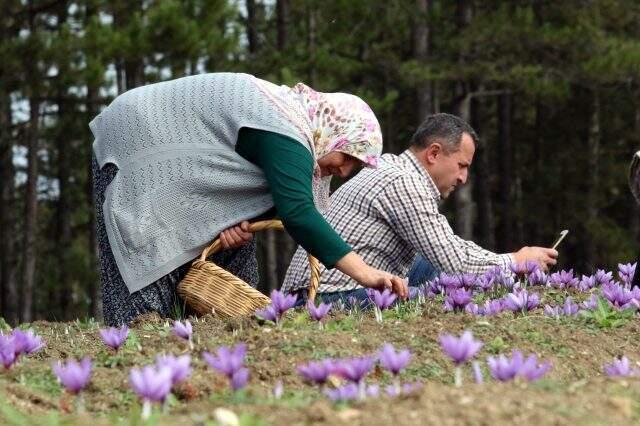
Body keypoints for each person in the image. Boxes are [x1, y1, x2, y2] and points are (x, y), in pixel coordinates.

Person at [91, 72, 408, 326]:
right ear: (335, 132)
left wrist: (232, 227)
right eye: (350, 158)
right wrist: (366, 273)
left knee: (226, 273)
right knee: (145, 284)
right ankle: (133, 363)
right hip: (139, 137)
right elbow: (298, 213)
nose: (344, 171)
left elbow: (258, 197)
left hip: (168, 158)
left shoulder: (293, 128)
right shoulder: (288, 129)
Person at [281, 113, 558, 306]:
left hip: (316, 288)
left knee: (435, 268)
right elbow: (456, 261)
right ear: (434, 153)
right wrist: (514, 261)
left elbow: (447, 249)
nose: (463, 178)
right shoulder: (404, 183)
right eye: (462, 165)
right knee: (442, 297)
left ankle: (508, 287)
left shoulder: (393, 168)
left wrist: (504, 265)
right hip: (324, 296)